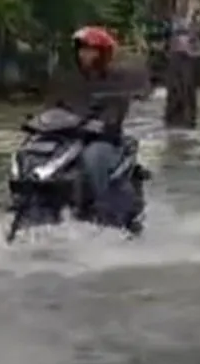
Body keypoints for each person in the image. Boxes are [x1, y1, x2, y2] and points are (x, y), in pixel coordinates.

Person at [45, 25, 151, 220]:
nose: (84, 55)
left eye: (90, 50)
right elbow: (55, 105)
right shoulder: (71, 78)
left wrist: (100, 120)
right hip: (70, 136)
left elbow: (120, 107)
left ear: (103, 53)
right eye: (81, 50)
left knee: (92, 159)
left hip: (103, 139)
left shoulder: (118, 78)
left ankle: (101, 206)